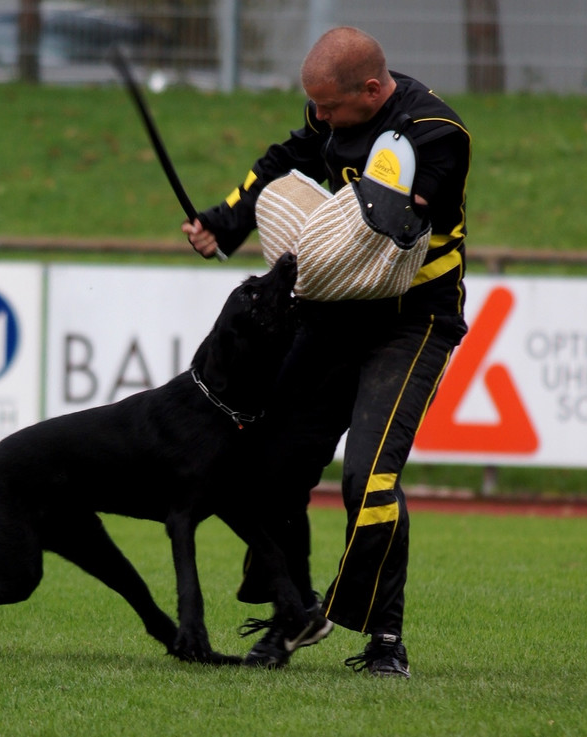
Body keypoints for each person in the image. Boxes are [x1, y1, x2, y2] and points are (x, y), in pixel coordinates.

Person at [181, 26, 471, 678]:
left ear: (370, 90)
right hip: (334, 316)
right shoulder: (331, 112)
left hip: (413, 322)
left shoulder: (437, 134)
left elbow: (393, 227)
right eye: (314, 105)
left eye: (330, 108)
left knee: (368, 478)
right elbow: (283, 162)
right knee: (268, 466)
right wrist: (225, 221)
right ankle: (294, 611)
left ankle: (384, 639)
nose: (320, 118)